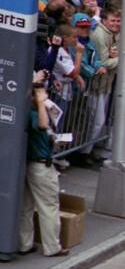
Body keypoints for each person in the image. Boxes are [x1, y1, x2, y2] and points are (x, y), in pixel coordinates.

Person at [18, 86, 69, 258]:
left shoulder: (28, 111)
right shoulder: (36, 113)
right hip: (40, 167)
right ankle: (52, 246)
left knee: (26, 206)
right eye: (42, 93)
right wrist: (41, 103)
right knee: (48, 206)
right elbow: (42, 125)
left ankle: (24, 243)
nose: (46, 96)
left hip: (29, 165)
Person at [88, 4, 120, 161]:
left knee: (100, 120)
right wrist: (122, 59)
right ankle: (85, 152)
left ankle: (92, 149)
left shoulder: (116, 34)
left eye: (118, 21)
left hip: (106, 83)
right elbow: (103, 62)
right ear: (105, 21)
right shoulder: (100, 35)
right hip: (95, 84)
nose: (116, 24)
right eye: (113, 21)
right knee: (97, 120)